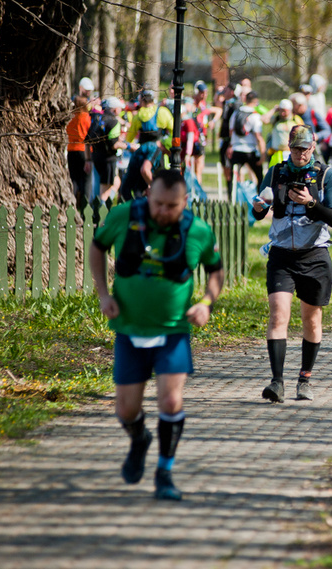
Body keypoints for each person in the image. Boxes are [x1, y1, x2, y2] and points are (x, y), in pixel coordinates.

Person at [89, 168, 224, 500]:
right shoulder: (122, 216)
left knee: (170, 399)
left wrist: (206, 302)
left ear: (185, 202)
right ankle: (139, 439)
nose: (163, 211)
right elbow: (96, 248)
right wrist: (104, 294)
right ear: (149, 196)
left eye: (171, 206)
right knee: (125, 410)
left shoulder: (199, 231)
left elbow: (216, 270)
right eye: (158, 203)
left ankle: (164, 472)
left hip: (173, 332)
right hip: (129, 330)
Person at [252, 125, 332, 403]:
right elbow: (260, 209)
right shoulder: (276, 171)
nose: (300, 153)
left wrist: (311, 203)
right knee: (278, 316)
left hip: (314, 255)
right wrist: (258, 208)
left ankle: (305, 378)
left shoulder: (327, 175)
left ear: (313, 147)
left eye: (305, 148)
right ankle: (277, 382)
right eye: (295, 148)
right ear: (288, 147)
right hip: (281, 255)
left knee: (311, 321)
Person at [90, 97, 127, 202]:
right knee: (105, 190)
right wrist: (128, 146)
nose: (120, 111)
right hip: (108, 160)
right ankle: (102, 211)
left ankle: (95, 208)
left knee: (101, 186)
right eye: (120, 108)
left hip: (96, 157)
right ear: (115, 109)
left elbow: (89, 139)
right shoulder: (114, 122)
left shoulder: (97, 119)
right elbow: (113, 144)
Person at [227, 90, 266, 191]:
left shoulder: (236, 113)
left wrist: (230, 145)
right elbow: (258, 136)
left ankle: (232, 199)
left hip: (236, 148)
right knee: (259, 176)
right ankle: (260, 198)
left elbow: (231, 131)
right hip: (250, 150)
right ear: (255, 101)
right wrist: (262, 154)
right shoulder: (255, 115)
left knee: (234, 177)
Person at [66, 95, 92, 210]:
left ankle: (73, 204)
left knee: (74, 179)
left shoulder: (70, 117)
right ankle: (85, 207)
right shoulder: (86, 117)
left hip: (71, 150)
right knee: (86, 181)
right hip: (84, 151)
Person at [266, 98, 304, 167]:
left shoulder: (296, 120)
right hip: (276, 153)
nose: (283, 113)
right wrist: (274, 110)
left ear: (290, 110)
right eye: (281, 111)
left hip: (291, 153)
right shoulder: (276, 119)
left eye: (285, 111)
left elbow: (303, 135)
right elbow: (264, 119)